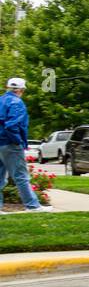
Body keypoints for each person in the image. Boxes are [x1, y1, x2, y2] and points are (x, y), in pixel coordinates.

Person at [0, 77, 53, 213]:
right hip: (10, 144)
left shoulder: (1, 100)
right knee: (21, 176)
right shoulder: (16, 102)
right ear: (21, 90)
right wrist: (17, 141)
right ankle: (33, 206)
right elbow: (12, 125)